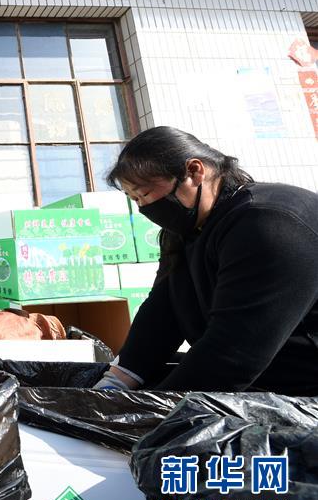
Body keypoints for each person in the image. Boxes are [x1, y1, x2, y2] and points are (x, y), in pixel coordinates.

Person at [93, 126, 318, 395]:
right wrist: (115, 382)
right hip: (261, 381)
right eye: (135, 199)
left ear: (194, 171)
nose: (144, 207)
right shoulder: (184, 233)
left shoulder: (269, 224)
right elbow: (163, 311)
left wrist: (152, 411)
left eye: (146, 193)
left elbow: (234, 352)